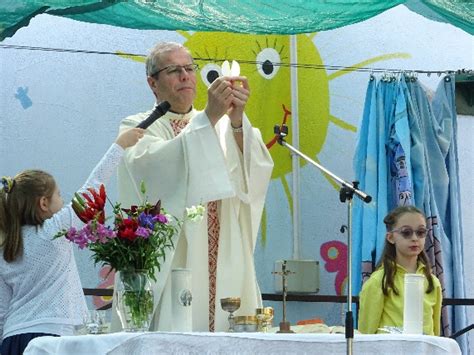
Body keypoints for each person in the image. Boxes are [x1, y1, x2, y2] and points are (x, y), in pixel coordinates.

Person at [114, 41, 273, 332]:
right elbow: (149, 168)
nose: (186, 76)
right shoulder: (138, 125)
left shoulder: (222, 124)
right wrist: (210, 117)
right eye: (174, 70)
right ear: (153, 83)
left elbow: (253, 174)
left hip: (224, 248)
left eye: (189, 68)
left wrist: (237, 122)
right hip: (177, 257)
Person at [0, 128, 144, 354]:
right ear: (44, 204)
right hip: (50, 339)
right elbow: (92, 186)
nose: (63, 200)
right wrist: (120, 145)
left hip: (12, 340)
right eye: (59, 195)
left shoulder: (5, 250)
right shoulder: (53, 231)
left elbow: (1, 311)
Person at [358, 205, 442, 335]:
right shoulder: (378, 281)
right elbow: (366, 334)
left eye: (420, 232)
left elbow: (435, 334)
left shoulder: (433, 282)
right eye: (406, 232)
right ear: (391, 238)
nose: (415, 238)